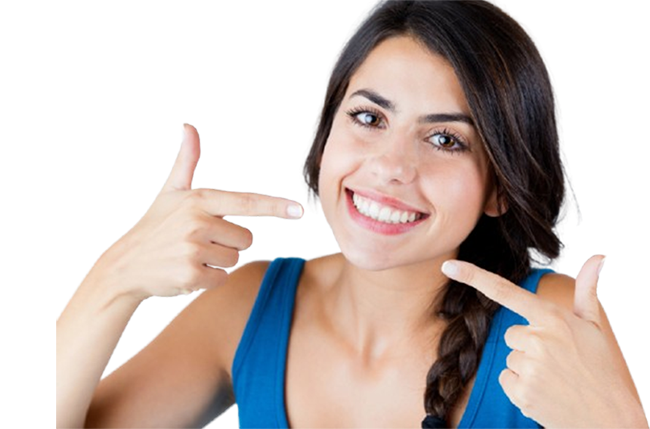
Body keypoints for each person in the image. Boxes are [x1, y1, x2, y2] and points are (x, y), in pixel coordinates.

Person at [56, 0, 647, 428]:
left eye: (446, 139)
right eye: (369, 118)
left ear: (501, 188)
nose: (391, 166)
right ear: (326, 134)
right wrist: (116, 277)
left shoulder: (551, 326)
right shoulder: (246, 306)